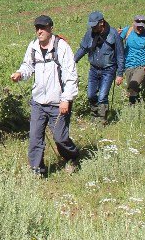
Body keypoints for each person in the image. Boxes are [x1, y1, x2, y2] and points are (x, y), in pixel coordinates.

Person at [11, 15, 81, 176]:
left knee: (60, 138)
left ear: (50, 28)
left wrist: (66, 99)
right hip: (38, 102)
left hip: (59, 102)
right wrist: (20, 74)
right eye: (37, 28)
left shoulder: (61, 47)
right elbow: (28, 66)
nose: (39, 31)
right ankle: (37, 171)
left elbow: (71, 75)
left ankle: (72, 157)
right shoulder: (33, 47)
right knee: (35, 138)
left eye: (43, 27)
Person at [73, 11, 125, 121]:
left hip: (109, 70)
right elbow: (83, 49)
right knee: (91, 95)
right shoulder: (89, 33)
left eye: (95, 25)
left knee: (102, 96)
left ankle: (102, 119)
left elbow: (120, 54)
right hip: (93, 69)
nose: (93, 27)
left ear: (101, 22)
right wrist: (73, 61)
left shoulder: (113, 34)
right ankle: (94, 115)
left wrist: (120, 74)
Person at [121, 15, 145, 104]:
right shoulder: (127, 31)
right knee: (132, 88)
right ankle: (138, 103)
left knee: (133, 85)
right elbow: (117, 41)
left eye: (142, 27)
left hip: (142, 66)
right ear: (134, 23)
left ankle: (132, 105)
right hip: (128, 65)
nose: (140, 28)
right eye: (138, 26)